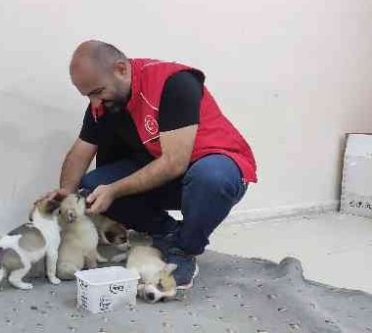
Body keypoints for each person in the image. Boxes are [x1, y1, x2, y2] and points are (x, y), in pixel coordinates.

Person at [44, 40, 257, 289]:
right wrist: (67, 195)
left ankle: (185, 250)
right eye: (88, 95)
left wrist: (114, 190)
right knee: (92, 187)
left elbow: (174, 163)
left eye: (98, 92)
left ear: (121, 69)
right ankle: (168, 233)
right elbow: (82, 150)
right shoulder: (102, 104)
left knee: (211, 178)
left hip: (217, 170)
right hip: (169, 174)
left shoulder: (174, 84)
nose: (95, 103)